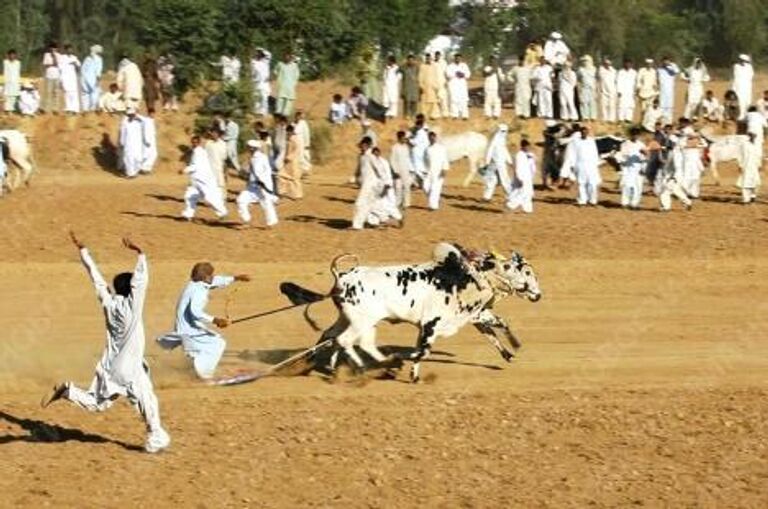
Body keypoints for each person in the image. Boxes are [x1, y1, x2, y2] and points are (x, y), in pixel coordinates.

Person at [42, 232, 170, 454]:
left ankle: (67, 391)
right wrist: (140, 252)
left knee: (97, 404)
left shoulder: (109, 303)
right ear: (130, 290)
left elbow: (96, 278)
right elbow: (141, 281)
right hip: (128, 369)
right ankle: (154, 438)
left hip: (112, 366)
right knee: (148, 401)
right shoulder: (132, 306)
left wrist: (84, 252)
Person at [157, 263, 250, 379]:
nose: (213, 277)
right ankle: (204, 375)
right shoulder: (198, 291)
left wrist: (236, 278)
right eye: (211, 275)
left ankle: (198, 369)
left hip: (188, 328)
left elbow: (216, 281)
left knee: (209, 344)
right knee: (218, 343)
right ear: (205, 277)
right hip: (190, 330)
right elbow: (195, 312)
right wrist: (216, 320)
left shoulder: (196, 284)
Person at [180, 135, 228, 220]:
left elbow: (195, 166)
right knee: (189, 196)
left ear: (199, 143)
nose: (194, 144)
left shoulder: (199, 152)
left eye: (195, 142)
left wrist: (184, 170)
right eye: (193, 142)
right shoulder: (196, 151)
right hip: (195, 179)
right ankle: (188, 215)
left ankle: (222, 212)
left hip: (203, 179)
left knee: (210, 197)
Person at [237, 140, 278, 227]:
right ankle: (246, 220)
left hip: (261, 186)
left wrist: (263, 183)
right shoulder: (253, 158)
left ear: (252, 148)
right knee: (241, 200)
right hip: (253, 186)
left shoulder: (260, 158)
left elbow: (263, 172)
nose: (247, 149)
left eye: (248, 147)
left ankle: (271, 222)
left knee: (266, 204)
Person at [351, 137, 382, 230]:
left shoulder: (371, 156)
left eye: (364, 145)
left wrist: (381, 182)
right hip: (365, 183)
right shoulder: (361, 156)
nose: (362, 147)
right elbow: (358, 169)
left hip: (371, 184)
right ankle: (374, 222)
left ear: (368, 145)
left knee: (360, 203)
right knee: (369, 204)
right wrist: (355, 177)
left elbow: (379, 170)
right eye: (362, 145)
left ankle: (357, 225)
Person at [656, 136, 693, 212]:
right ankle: (688, 202)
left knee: (665, 192)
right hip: (672, 175)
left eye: (669, 142)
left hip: (673, 176)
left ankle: (666, 207)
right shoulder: (674, 151)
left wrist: (673, 177)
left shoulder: (675, 153)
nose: (668, 143)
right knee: (675, 190)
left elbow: (677, 166)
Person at [616, 128, 647, 209]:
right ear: (631, 135)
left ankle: (634, 204)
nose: (635, 136)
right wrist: (626, 159)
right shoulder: (625, 144)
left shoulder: (641, 145)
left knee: (638, 187)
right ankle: (625, 203)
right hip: (628, 168)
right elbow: (621, 156)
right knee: (627, 185)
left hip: (638, 168)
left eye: (637, 135)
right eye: (634, 135)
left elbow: (645, 157)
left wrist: (643, 167)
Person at [482, 124, 513, 201]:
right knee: (496, 179)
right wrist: (487, 162)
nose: (504, 133)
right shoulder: (495, 140)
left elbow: (505, 152)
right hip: (495, 163)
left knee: (500, 179)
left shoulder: (501, 140)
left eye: (505, 131)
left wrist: (510, 161)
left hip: (499, 163)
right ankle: (487, 197)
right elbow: (489, 151)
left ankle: (509, 196)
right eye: (503, 131)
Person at [506, 139, 536, 213]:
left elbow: (532, 165)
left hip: (528, 176)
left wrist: (532, 174)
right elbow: (518, 167)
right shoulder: (519, 155)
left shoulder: (530, 155)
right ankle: (511, 205)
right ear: (522, 147)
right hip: (522, 176)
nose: (528, 148)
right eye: (526, 147)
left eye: (529, 146)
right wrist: (520, 178)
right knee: (524, 192)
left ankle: (527, 209)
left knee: (529, 193)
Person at [573, 126, 601, 206]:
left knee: (592, 183)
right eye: (583, 132)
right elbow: (573, 154)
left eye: (586, 132)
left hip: (591, 165)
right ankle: (582, 201)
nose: (584, 133)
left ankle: (592, 200)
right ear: (580, 132)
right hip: (580, 164)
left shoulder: (591, 141)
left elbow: (595, 153)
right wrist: (573, 165)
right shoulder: (575, 141)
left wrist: (596, 164)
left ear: (588, 133)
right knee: (581, 183)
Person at [424, 131, 449, 210]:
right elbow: (425, 160)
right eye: (430, 138)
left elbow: (445, 159)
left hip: (439, 171)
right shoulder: (427, 149)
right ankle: (435, 200)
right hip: (429, 171)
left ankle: (433, 206)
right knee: (425, 186)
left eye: (433, 137)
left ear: (435, 138)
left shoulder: (441, 148)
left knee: (435, 188)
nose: (432, 139)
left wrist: (444, 169)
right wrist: (424, 169)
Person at [119, 108, 146, 178]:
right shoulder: (125, 123)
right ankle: (130, 173)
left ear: (135, 115)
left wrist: (138, 118)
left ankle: (135, 171)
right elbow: (123, 133)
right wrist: (122, 143)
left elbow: (145, 123)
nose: (131, 116)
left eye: (132, 115)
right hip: (128, 144)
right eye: (129, 115)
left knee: (138, 159)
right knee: (128, 158)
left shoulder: (139, 122)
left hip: (137, 144)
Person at [389, 130, 414, 208]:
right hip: (398, 170)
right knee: (398, 187)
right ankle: (397, 203)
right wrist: (395, 171)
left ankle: (406, 203)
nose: (404, 139)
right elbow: (392, 160)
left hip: (406, 169)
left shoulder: (406, 147)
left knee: (407, 187)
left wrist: (410, 169)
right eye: (403, 138)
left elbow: (408, 157)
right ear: (399, 138)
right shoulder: (395, 147)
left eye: (405, 138)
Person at [278, 125, 303, 199]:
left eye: (288, 131)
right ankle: (282, 191)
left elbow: (297, 150)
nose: (287, 133)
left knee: (295, 178)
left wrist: (289, 157)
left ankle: (298, 195)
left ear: (291, 131)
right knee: (281, 175)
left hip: (293, 162)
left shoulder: (295, 139)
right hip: (286, 162)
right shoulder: (288, 139)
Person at [738, 133, 762, 204]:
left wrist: (759, 165)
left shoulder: (756, 146)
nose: (753, 138)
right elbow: (740, 155)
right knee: (745, 182)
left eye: (754, 136)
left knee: (755, 182)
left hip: (754, 166)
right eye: (752, 136)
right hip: (746, 165)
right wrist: (740, 165)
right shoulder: (744, 145)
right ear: (749, 137)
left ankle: (753, 196)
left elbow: (758, 156)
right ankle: (745, 199)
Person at [446, 53, 471, 120]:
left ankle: (464, 115)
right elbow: (448, 74)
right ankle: (454, 115)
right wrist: (456, 74)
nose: (458, 59)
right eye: (456, 58)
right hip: (453, 85)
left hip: (462, 85)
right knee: (454, 100)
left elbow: (468, 74)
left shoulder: (464, 65)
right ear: (454, 58)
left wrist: (463, 74)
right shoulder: (450, 66)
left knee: (463, 100)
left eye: (459, 58)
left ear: (461, 59)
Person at [275, 52, 299, 117]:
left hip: (290, 85)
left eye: (288, 57)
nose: (286, 58)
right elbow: (275, 72)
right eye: (285, 57)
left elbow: (297, 75)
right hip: (282, 84)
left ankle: (286, 114)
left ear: (290, 58)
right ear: (283, 57)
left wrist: (294, 83)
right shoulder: (280, 64)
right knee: (280, 98)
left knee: (289, 99)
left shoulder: (294, 65)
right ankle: (278, 112)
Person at [58, 45, 81, 114]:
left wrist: (75, 64)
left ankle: (75, 109)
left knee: (74, 93)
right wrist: (60, 80)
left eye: (71, 49)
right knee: (67, 93)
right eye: (69, 49)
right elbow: (60, 68)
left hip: (72, 77)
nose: (70, 51)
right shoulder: (62, 58)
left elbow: (79, 67)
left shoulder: (74, 58)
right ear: (66, 50)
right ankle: (68, 109)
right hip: (65, 77)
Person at [80, 45, 103, 112]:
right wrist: (98, 80)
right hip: (92, 79)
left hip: (84, 79)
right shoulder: (99, 59)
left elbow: (82, 69)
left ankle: (85, 109)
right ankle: (92, 108)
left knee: (85, 93)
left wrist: (82, 79)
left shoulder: (87, 58)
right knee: (95, 92)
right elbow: (98, 71)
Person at [657, 57, 680, 123]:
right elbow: (658, 79)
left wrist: (670, 65)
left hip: (670, 91)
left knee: (669, 107)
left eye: (667, 61)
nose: (665, 63)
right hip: (662, 91)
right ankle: (662, 122)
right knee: (662, 107)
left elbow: (676, 71)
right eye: (664, 61)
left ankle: (669, 122)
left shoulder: (672, 68)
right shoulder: (659, 70)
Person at [205, 127, 228, 193]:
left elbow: (224, 157)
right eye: (212, 133)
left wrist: (224, 169)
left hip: (219, 166)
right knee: (210, 183)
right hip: (210, 166)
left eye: (215, 133)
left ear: (218, 134)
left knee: (220, 183)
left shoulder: (223, 143)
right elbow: (205, 155)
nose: (214, 134)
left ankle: (222, 198)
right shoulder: (208, 143)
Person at [42, 42, 62, 114]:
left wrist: (54, 57)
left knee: (56, 93)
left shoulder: (59, 55)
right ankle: (46, 108)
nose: (53, 49)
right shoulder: (46, 55)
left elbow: (58, 64)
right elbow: (45, 65)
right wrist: (52, 64)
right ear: (49, 48)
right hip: (49, 76)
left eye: (54, 48)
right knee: (48, 92)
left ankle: (55, 109)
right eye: (51, 47)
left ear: (57, 49)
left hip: (57, 76)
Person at [732, 54, 754, 120]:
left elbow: (751, 76)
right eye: (741, 60)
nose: (742, 62)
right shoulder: (736, 66)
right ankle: (741, 115)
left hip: (747, 86)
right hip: (739, 86)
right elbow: (736, 77)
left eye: (743, 61)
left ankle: (747, 114)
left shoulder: (749, 67)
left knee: (748, 101)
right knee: (741, 100)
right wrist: (734, 87)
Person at [250, 49, 271, 116]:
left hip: (264, 84)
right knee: (256, 98)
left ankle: (264, 113)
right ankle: (256, 112)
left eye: (260, 54)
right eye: (257, 54)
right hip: (255, 83)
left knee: (264, 98)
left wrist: (260, 49)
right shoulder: (253, 62)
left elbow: (269, 54)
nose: (258, 55)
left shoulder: (265, 61)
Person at [410, 114, 430, 182]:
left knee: (418, 166)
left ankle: (423, 180)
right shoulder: (414, 129)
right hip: (420, 149)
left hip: (420, 149)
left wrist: (409, 140)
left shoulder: (424, 129)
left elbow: (413, 142)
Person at [483, 55, 504, 119]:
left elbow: (501, 79)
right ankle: (488, 115)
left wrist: (501, 88)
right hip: (488, 87)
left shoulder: (499, 69)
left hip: (496, 88)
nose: (493, 61)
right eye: (492, 60)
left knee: (497, 102)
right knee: (487, 101)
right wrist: (493, 70)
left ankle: (496, 115)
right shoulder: (486, 68)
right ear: (489, 61)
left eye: (494, 60)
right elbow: (484, 74)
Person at [577, 55, 597, 121]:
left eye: (586, 60)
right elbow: (578, 79)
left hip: (592, 88)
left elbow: (596, 78)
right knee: (584, 102)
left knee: (592, 102)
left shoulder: (594, 69)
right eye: (584, 61)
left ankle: (593, 116)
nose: (585, 62)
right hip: (584, 88)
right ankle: (585, 116)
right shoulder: (580, 70)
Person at [418, 54, 439, 119]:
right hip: (425, 86)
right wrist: (421, 85)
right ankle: (424, 115)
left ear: (431, 59)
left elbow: (436, 76)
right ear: (425, 59)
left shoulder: (434, 66)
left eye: (429, 58)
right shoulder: (422, 66)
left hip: (433, 86)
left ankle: (433, 115)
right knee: (424, 102)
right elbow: (420, 77)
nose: (428, 60)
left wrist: (436, 86)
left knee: (433, 102)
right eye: (427, 58)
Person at [598, 58, 617, 123]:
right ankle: (604, 119)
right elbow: (601, 76)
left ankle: (611, 119)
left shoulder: (614, 71)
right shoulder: (601, 70)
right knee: (604, 105)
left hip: (612, 90)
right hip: (603, 90)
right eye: (605, 64)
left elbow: (615, 80)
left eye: (608, 64)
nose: (607, 65)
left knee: (611, 105)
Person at [294, 110, 312, 175]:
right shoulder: (293, 124)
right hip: (294, 142)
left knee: (303, 156)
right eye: (297, 115)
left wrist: (307, 143)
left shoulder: (303, 123)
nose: (298, 117)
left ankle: (306, 170)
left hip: (301, 141)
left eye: (300, 115)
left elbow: (306, 134)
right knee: (297, 157)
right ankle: (299, 171)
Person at [140, 108, 157, 174]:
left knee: (154, 154)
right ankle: (144, 168)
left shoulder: (152, 120)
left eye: (153, 113)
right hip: (148, 141)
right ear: (149, 113)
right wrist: (147, 141)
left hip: (153, 140)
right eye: (151, 113)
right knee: (147, 155)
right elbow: (145, 131)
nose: (153, 114)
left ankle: (147, 168)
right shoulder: (146, 120)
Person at [402, 54, 420, 119]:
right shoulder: (405, 68)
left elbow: (419, 75)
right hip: (407, 87)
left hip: (415, 87)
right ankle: (407, 115)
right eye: (409, 60)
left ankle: (413, 115)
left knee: (414, 102)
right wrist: (404, 63)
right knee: (407, 102)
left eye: (412, 60)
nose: (410, 61)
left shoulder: (417, 67)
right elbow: (399, 69)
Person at [433, 51, 450, 118]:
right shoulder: (432, 62)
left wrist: (446, 81)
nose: (437, 56)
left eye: (438, 55)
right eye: (436, 55)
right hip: (434, 82)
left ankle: (445, 113)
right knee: (435, 99)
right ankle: (436, 113)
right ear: (435, 56)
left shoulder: (444, 62)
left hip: (442, 81)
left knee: (443, 98)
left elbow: (446, 72)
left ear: (440, 56)